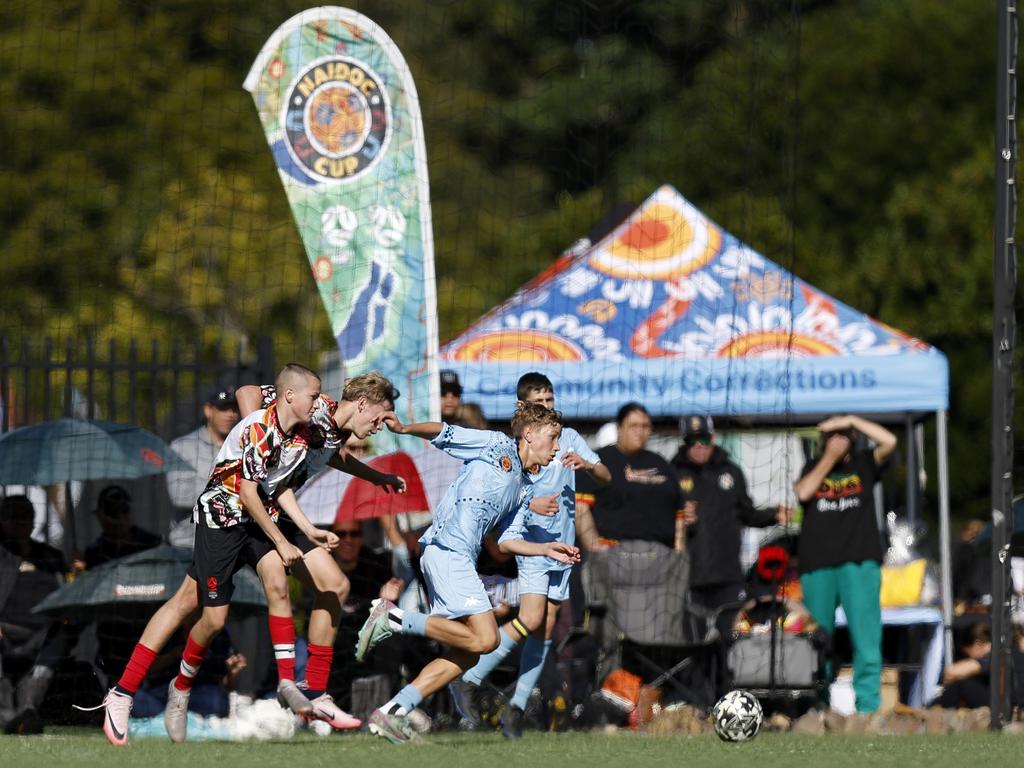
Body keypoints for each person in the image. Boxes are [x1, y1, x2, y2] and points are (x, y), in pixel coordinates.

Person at [96, 367, 402, 745]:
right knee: (198, 612)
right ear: (361, 403)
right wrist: (254, 435)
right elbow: (249, 405)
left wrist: (373, 480)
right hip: (227, 514)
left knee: (333, 584)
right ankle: (130, 692)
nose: (381, 425)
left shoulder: (318, 428)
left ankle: (311, 691)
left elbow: (321, 460)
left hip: (267, 512)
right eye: (380, 415)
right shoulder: (305, 410)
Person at [354, 402, 581, 744]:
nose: (557, 448)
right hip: (446, 550)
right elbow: (443, 433)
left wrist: (547, 548)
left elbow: (507, 541)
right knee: (488, 639)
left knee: (469, 652)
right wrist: (403, 430)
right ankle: (395, 618)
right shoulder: (495, 444)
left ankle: (392, 712)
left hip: (460, 559)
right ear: (529, 435)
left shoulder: (525, 486)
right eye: (553, 438)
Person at [448, 371, 610, 738]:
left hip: (564, 548)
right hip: (533, 543)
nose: (548, 408)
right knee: (534, 618)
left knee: (546, 626)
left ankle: (516, 709)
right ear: (523, 408)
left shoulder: (568, 438)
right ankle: (470, 678)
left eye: (551, 402)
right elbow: (506, 495)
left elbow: (606, 476)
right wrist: (530, 502)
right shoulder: (516, 447)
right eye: (540, 403)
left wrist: (590, 466)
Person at [793, 414, 896, 714]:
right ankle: (817, 705)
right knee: (816, 639)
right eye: (831, 435)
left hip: (859, 561)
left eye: (843, 435)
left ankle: (868, 708)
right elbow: (803, 492)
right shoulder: (814, 467)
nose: (836, 439)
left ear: (852, 438)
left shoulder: (864, 463)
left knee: (866, 639)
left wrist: (852, 419)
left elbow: (890, 440)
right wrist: (829, 456)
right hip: (818, 564)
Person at [670, 416, 790, 638]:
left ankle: (725, 674)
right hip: (688, 577)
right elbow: (659, 520)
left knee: (729, 637)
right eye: (692, 441)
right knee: (691, 639)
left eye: (703, 440)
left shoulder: (731, 472)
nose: (698, 446)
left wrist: (773, 515)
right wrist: (677, 516)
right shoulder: (673, 473)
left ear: (713, 438)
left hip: (727, 575)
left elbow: (748, 513)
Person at [576, 403, 684, 553]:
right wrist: (594, 548)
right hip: (613, 552)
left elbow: (679, 510)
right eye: (634, 425)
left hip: (659, 554)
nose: (640, 431)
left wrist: (679, 547)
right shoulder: (597, 461)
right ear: (619, 428)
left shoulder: (660, 463)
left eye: (645, 426)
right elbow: (580, 508)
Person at [0, 495, 68, 734]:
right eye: (13, 517)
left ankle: (29, 708)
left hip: (42, 632)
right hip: (5, 630)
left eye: (25, 516)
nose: (20, 522)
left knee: (61, 633)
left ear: (33, 520)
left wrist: (78, 574)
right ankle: (5, 714)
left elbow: (67, 599)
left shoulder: (52, 557)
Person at [166, 388, 240, 525]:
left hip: (231, 539)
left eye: (234, 409)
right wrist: (230, 489)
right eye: (223, 409)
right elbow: (180, 496)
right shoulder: (183, 446)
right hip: (190, 540)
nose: (230, 415)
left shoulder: (241, 446)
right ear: (208, 410)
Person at [82, 485, 162, 569]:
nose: (119, 517)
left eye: (124, 510)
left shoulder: (153, 543)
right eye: (112, 512)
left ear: (130, 512)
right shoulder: (93, 553)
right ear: (99, 516)